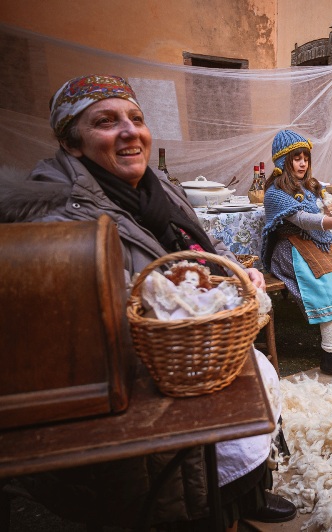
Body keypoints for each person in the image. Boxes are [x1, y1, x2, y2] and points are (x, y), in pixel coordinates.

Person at [0, 74, 295, 530]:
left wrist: (232, 271)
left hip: (198, 351)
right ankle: (209, 512)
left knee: (249, 402)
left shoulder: (160, 187)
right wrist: (203, 297)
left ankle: (245, 494)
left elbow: (194, 249)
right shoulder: (57, 213)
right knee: (178, 490)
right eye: (105, 121)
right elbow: (97, 301)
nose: (129, 131)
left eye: (135, 118)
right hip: (139, 373)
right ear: (71, 141)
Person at [260, 129, 332, 376]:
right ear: (284, 161)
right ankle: (330, 355)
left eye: (306, 157)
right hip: (291, 248)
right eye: (296, 158)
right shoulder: (275, 193)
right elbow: (302, 219)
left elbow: (325, 222)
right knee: (328, 288)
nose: (303, 163)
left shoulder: (313, 187)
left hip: (319, 245)